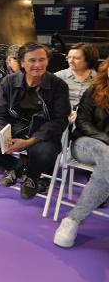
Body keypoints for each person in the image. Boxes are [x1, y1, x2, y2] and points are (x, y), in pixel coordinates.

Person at [0, 42, 70, 199]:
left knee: (44, 153)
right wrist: (3, 136)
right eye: (32, 60)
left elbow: (59, 120)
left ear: (47, 61)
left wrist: (30, 141)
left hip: (43, 131)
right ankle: (17, 166)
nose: (37, 64)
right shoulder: (9, 82)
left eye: (42, 59)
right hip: (14, 127)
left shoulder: (58, 85)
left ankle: (32, 177)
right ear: (22, 62)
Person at [54, 59, 109, 248]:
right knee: (105, 152)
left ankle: (72, 221)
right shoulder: (94, 90)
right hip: (85, 143)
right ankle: (73, 221)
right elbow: (83, 123)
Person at [54, 42, 98, 115]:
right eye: (69, 57)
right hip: (62, 115)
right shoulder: (57, 77)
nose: (70, 61)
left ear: (88, 60)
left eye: (76, 58)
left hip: (87, 117)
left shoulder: (98, 79)